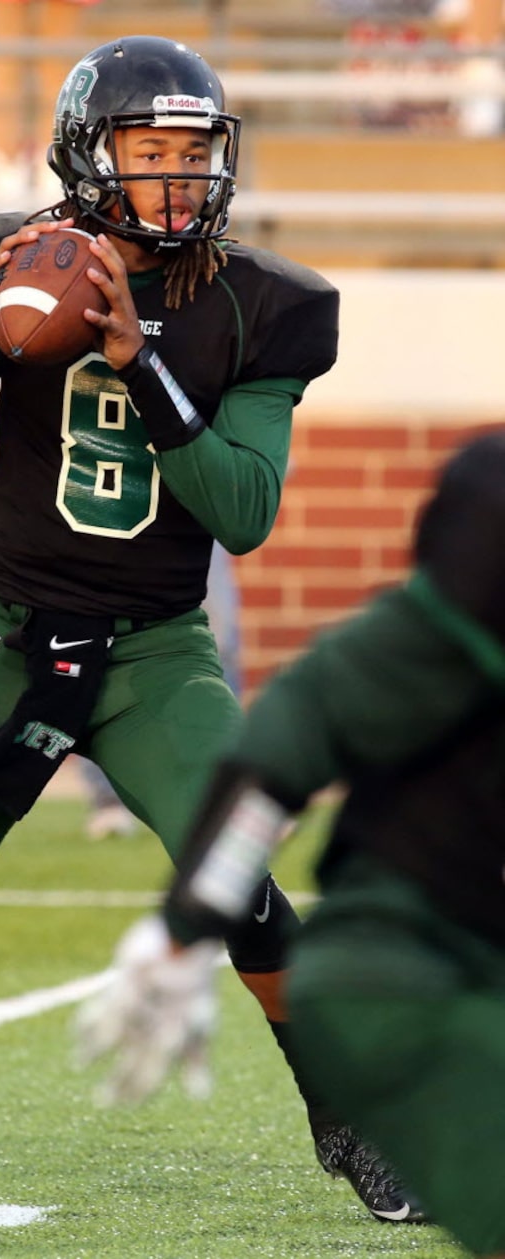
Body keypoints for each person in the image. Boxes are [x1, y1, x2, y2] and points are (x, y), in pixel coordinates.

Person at [0, 34, 406, 1220]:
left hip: (155, 649)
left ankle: (348, 1125)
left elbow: (243, 513)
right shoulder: (1, 261)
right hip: (6, 636)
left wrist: (135, 359)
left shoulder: (263, 307)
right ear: (88, 157)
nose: (178, 178)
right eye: (148, 152)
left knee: (237, 864)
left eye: (193, 153)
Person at [77, 429, 505, 1256]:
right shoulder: (396, 654)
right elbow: (260, 794)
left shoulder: (397, 640)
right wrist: (185, 931)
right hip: (409, 964)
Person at [81, 542, 243, 840]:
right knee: (97, 636)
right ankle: (108, 799)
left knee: (220, 637)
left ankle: (230, 798)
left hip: (192, 512)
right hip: (112, 510)